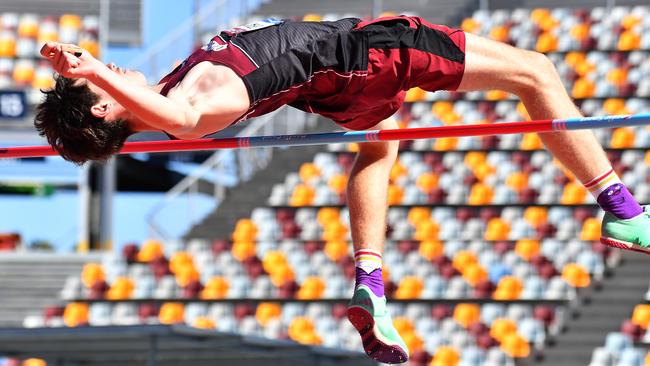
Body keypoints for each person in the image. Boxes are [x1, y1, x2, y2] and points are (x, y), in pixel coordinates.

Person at [36, 15, 649, 363]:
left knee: (382, 144)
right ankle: (621, 209)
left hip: (332, 87)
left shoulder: (171, 93)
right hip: (364, 53)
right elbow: (180, 121)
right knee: (536, 70)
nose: (111, 67)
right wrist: (88, 71)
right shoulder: (191, 107)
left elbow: (156, 111)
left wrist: (86, 81)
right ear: (105, 112)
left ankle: (372, 283)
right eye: (104, 83)